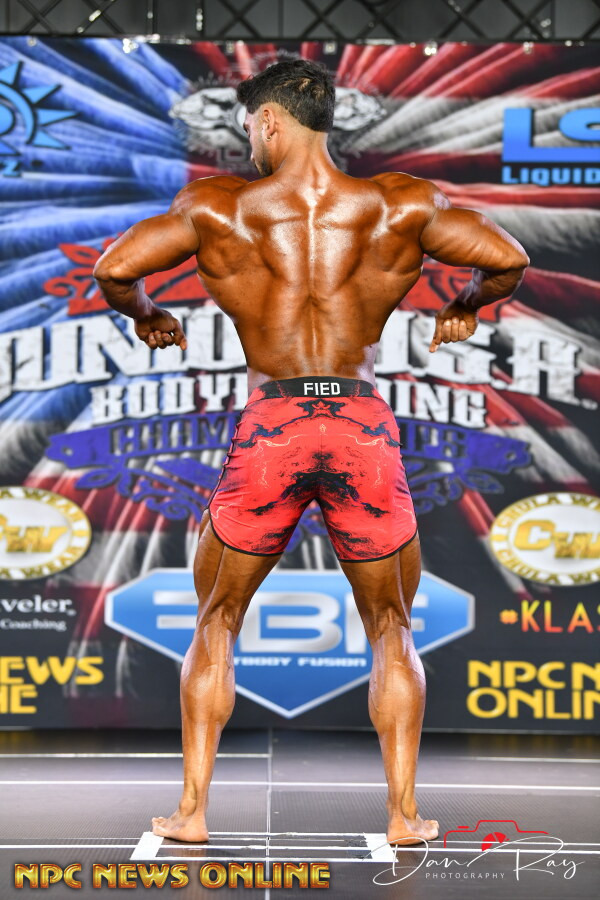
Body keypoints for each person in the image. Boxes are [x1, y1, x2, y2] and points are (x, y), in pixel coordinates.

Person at [94, 59, 529, 846]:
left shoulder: (219, 208)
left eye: (247, 128)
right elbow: (508, 259)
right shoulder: (400, 204)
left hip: (276, 424)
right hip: (360, 425)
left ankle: (192, 813)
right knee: (391, 624)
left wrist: (149, 315)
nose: (247, 143)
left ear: (269, 121)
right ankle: (403, 816)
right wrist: (466, 304)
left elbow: (115, 270)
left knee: (217, 618)